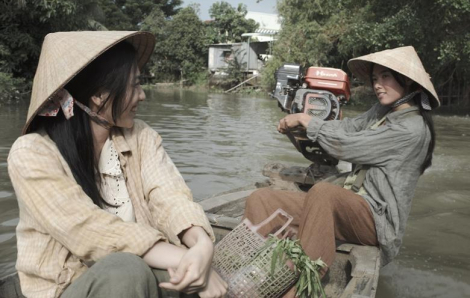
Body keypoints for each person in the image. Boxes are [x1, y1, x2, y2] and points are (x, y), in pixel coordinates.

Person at [8, 31, 227, 298]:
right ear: (100, 94)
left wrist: (202, 247)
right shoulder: (31, 153)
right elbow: (89, 231)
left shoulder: (141, 137)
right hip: (67, 289)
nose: (143, 95)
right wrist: (185, 258)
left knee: (185, 279)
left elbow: (169, 198)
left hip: (133, 278)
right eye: (135, 85)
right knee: (126, 270)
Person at [243, 46, 439, 297]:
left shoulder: (411, 130)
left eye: (385, 77)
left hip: (376, 221)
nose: (378, 85)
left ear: (408, 81)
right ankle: (249, 273)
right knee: (263, 199)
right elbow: (347, 128)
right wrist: (307, 120)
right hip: (349, 205)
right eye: (375, 79)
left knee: (324, 193)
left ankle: (299, 289)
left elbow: (347, 146)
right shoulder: (381, 112)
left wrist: (307, 121)